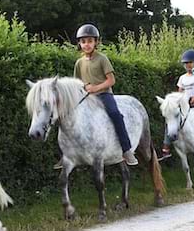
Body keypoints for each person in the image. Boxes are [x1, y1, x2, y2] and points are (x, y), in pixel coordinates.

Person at [54, 24, 138, 170]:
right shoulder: (79, 63)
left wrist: (95, 88)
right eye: (83, 41)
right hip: (87, 97)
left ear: (96, 42)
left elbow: (111, 81)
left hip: (104, 95)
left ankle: (126, 150)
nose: (87, 44)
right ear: (79, 44)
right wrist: (84, 89)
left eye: (90, 41)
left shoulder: (102, 59)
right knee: (66, 116)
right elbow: (77, 84)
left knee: (115, 114)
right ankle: (66, 153)